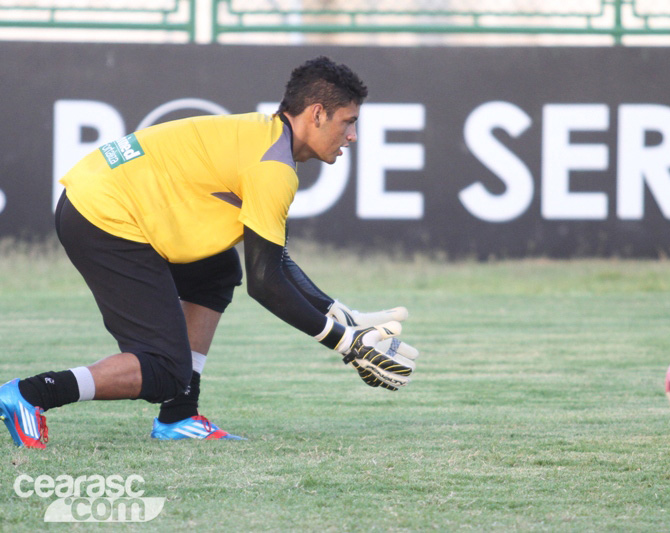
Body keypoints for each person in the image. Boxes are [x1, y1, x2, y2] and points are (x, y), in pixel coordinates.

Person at [0, 56, 418, 449]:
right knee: (164, 370)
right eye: (349, 121)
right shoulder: (273, 167)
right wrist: (346, 343)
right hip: (101, 216)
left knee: (217, 270)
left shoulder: (267, 136)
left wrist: (340, 313)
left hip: (96, 199)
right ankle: (30, 394)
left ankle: (178, 417)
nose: (353, 136)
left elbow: (275, 261)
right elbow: (266, 284)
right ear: (316, 114)